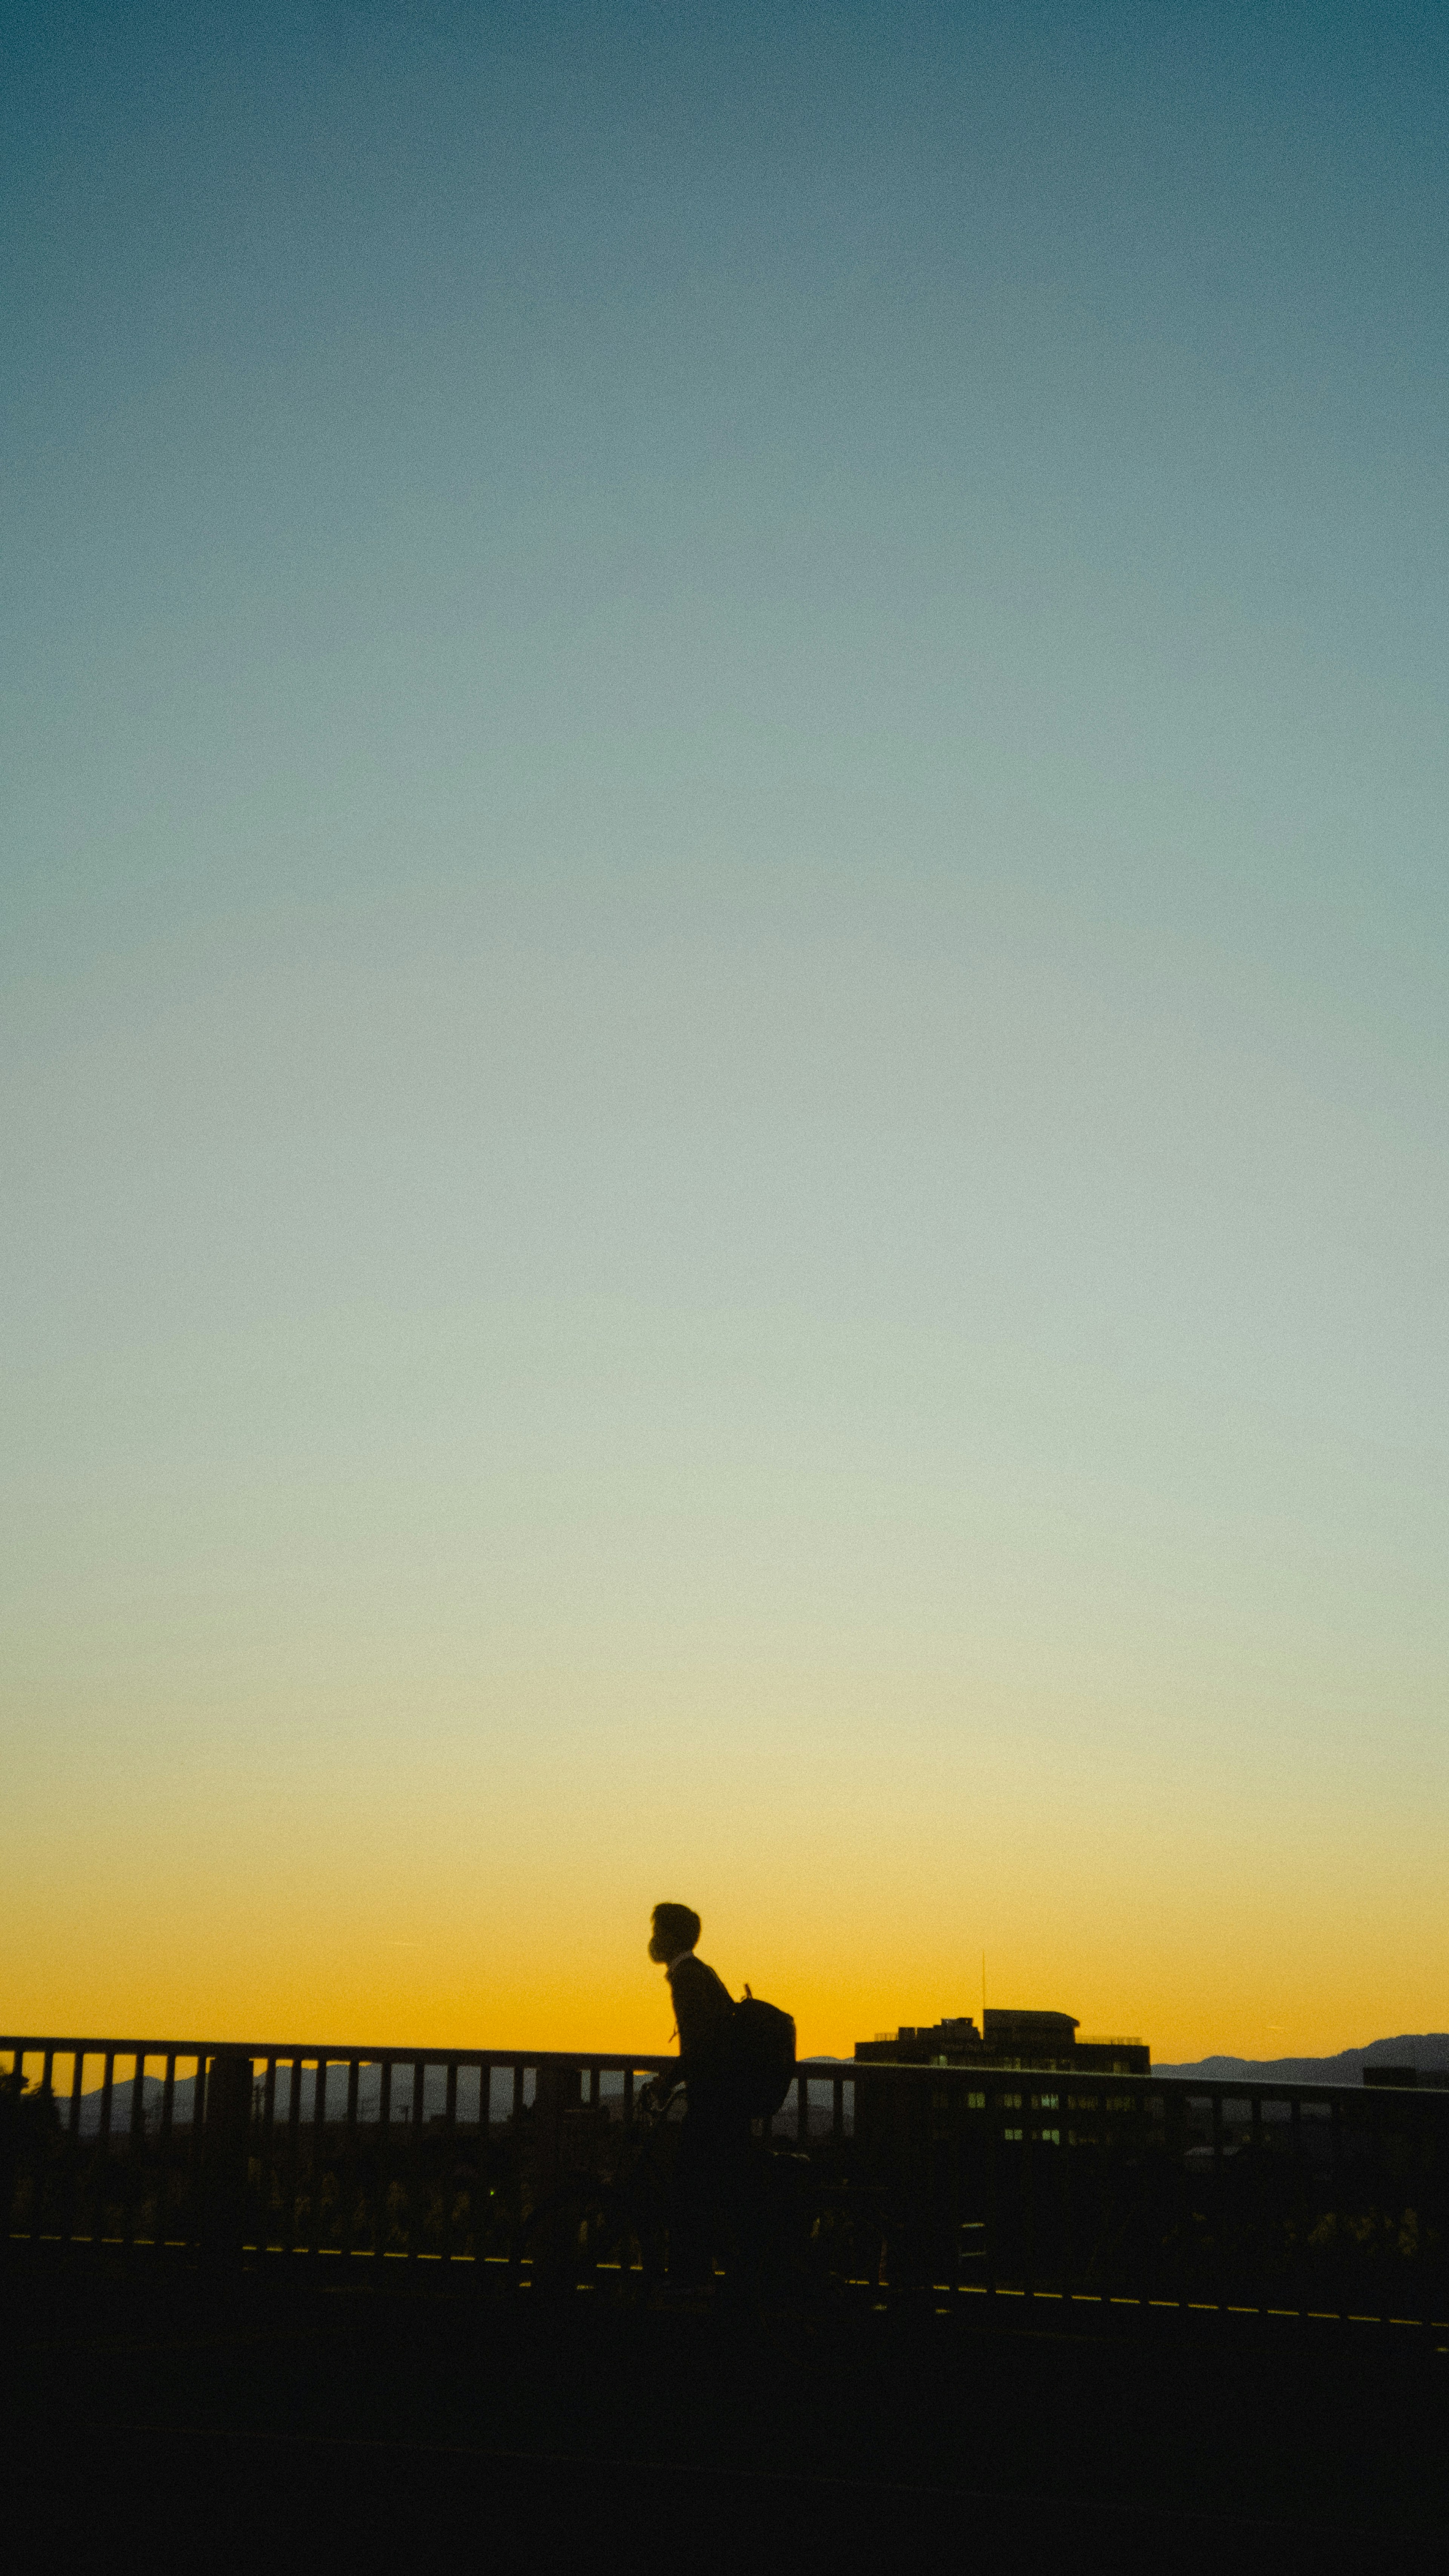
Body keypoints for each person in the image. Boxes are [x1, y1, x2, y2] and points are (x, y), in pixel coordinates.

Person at [645, 1902, 750, 2290]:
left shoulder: (687, 1977)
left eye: (657, 1931)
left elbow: (699, 2042)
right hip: (727, 2099)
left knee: (689, 2192)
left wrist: (666, 2081)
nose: (652, 1940)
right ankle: (713, 2277)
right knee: (711, 2193)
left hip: (715, 2102)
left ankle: (692, 2284)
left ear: (671, 1937)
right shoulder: (698, 1972)